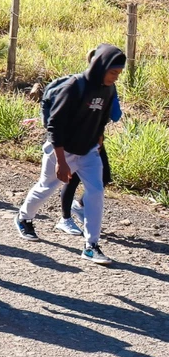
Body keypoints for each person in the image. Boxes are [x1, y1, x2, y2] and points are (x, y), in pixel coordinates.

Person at [14, 44, 126, 265]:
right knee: (46, 187)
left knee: (96, 193)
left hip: (89, 151)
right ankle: (23, 218)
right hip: (62, 149)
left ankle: (91, 245)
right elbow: (54, 125)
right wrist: (61, 162)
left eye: (118, 73)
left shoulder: (109, 89)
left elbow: (102, 118)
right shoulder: (75, 86)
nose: (116, 77)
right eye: (113, 72)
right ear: (101, 66)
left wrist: (98, 140)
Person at [57, 93, 120, 236]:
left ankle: (79, 206)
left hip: (94, 138)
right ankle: (65, 219)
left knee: (104, 176)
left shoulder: (109, 86)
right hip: (75, 139)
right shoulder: (85, 85)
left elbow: (115, 115)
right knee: (72, 178)